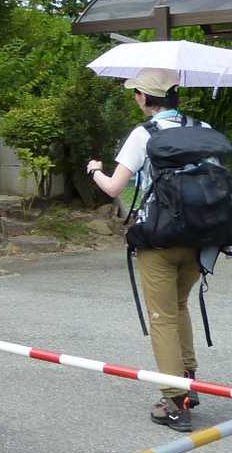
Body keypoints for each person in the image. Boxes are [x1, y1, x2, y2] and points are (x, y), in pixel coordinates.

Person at [86, 67, 207, 433]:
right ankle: (189, 382)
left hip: (159, 237)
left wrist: (94, 170)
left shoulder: (144, 134)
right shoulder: (201, 128)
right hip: (201, 235)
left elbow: (113, 187)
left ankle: (174, 403)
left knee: (162, 317)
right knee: (180, 305)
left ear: (143, 97)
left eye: (135, 93)